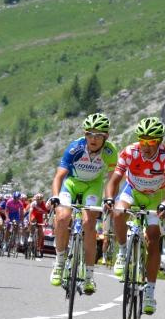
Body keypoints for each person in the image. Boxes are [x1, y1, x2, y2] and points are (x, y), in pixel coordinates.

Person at [105, 116, 165, 314]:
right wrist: (110, 198)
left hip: (155, 197)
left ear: (159, 141)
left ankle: (150, 294)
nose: (146, 146)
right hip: (132, 191)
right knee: (118, 213)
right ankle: (121, 252)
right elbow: (115, 179)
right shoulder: (130, 151)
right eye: (143, 140)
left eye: (151, 141)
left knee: (153, 238)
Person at [49, 113, 118, 294]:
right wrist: (55, 196)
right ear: (84, 134)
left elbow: (112, 180)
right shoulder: (75, 148)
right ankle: (60, 262)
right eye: (89, 134)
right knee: (63, 217)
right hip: (71, 184)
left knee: (89, 223)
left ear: (106, 137)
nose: (93, 139)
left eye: (98, 135)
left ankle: (89, 276)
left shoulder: (110, 152)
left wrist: (109, 199)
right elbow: (59, 176)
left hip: (93, 186)